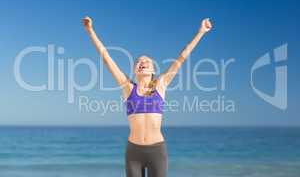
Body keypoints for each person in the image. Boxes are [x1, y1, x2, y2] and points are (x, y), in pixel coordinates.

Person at [82, 16, 212, 177]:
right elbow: (106, 58)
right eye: (138, 61)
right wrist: (90, 31)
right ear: (135, 70)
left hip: (157, 151)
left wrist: (200, 32)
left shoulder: (161, 84)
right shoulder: (127, 87)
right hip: (133, 152)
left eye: (147, 61)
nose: (142, 61)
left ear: (153, 70)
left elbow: (183, 56)